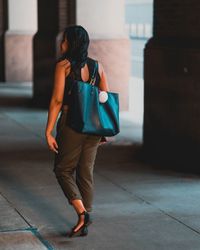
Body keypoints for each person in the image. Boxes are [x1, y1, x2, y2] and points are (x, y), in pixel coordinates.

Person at [45, 25, 109, 237]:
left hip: (72, 124)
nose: (62, 43)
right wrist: (103, 130)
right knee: (85, 172)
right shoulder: (97, 67)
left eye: (64, 40)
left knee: (62, 170)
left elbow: (56, 100)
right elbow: (104, 99)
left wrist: (49, 130)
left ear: (71, 43)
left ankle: (83, 214)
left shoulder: (63, 65)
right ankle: (85, 217)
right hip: (93, 127)